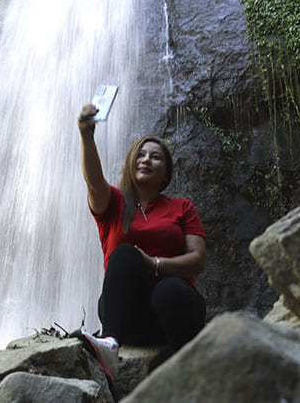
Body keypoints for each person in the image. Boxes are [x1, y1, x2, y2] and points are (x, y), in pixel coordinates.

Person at [77, 103, 206, 380]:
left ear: (167, 173)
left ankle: (191, 373)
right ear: (131, 162)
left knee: (169, 290)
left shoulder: (183, 207)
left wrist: (154, 264)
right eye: (141, 155)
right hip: (128, 317)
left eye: (156, 157)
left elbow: (197, 260)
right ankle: (110, 345)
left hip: (176, 311)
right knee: (124, 255)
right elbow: (94, 182)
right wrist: (87, 136)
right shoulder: (114, 204)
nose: (146, 160)